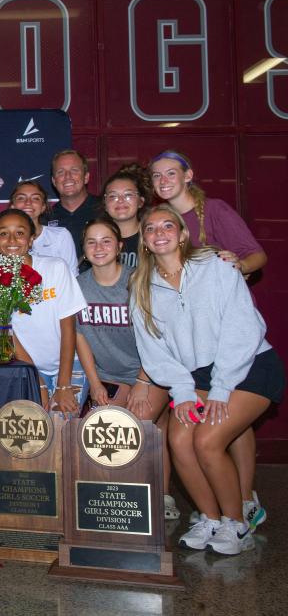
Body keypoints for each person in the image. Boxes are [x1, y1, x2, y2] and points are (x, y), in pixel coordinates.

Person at [130, 205, 283, 555]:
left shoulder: (216, 267)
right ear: (145, 241)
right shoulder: (141, 285)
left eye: (168, 225)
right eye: (151, 229)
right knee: (180, 439)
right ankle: (210, 518)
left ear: (183, 234)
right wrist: (182, 391)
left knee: (208, 440)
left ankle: (237, 524)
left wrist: (222, 387)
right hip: (195, 375)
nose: (160, 232)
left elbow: (245, 330)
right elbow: (153, 351)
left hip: (248, 366)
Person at [150, 150, 269, 529]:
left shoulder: (212, 210)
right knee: (203, 432)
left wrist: (233, 267)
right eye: (156, 176)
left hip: (230, 326)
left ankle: (245, 499)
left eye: (171, 173)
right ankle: (215, 511)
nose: (163, 180)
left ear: (189, 175)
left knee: (227, 426)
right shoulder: (155, 227)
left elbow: (256, 256)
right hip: (192, 342)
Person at [74, 216, 176, 518]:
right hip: (108, 374)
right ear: (83, 250)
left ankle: (163, 497)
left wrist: (142, 382)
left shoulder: (138, 280)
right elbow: (79, 337)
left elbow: (160, 336)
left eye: (106, 240)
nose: (99, 247)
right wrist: (94, 384)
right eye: (91, 242)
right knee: (106, 431)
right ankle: (124, 501)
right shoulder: (78, 286)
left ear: (120, 246)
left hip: (150, 371)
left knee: (141, 424)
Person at [0, 209, 88, 414]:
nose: (11, 240)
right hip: (26, 369)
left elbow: (68, 327)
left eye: (20, 232)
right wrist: (38, 382)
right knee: (35, 434)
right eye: (3, 233)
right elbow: (8, 337)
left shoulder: (56, 268)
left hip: (69, 364)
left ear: (31, 238)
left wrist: (63, 384)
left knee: (62, 425)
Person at [10, 181, 79, 275]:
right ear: (12, 206)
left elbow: (72, 276)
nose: (28, 203)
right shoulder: (4, 240)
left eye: (35, 198)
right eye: (21, 198)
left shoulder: (60, 236)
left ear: (43, 207)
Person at [45, 149, 101, 258]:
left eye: (74, 170)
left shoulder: (105, 210)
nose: (67, 176)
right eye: (60, 172)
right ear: (54, 181)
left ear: (86, 177)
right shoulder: (45, 219)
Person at [100, 163, 152, 270]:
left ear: (141, 202)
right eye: (113, 196)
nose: (120, 200)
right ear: (105, 204)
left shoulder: (153, 236)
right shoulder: (97, 240)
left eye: (128, 195)